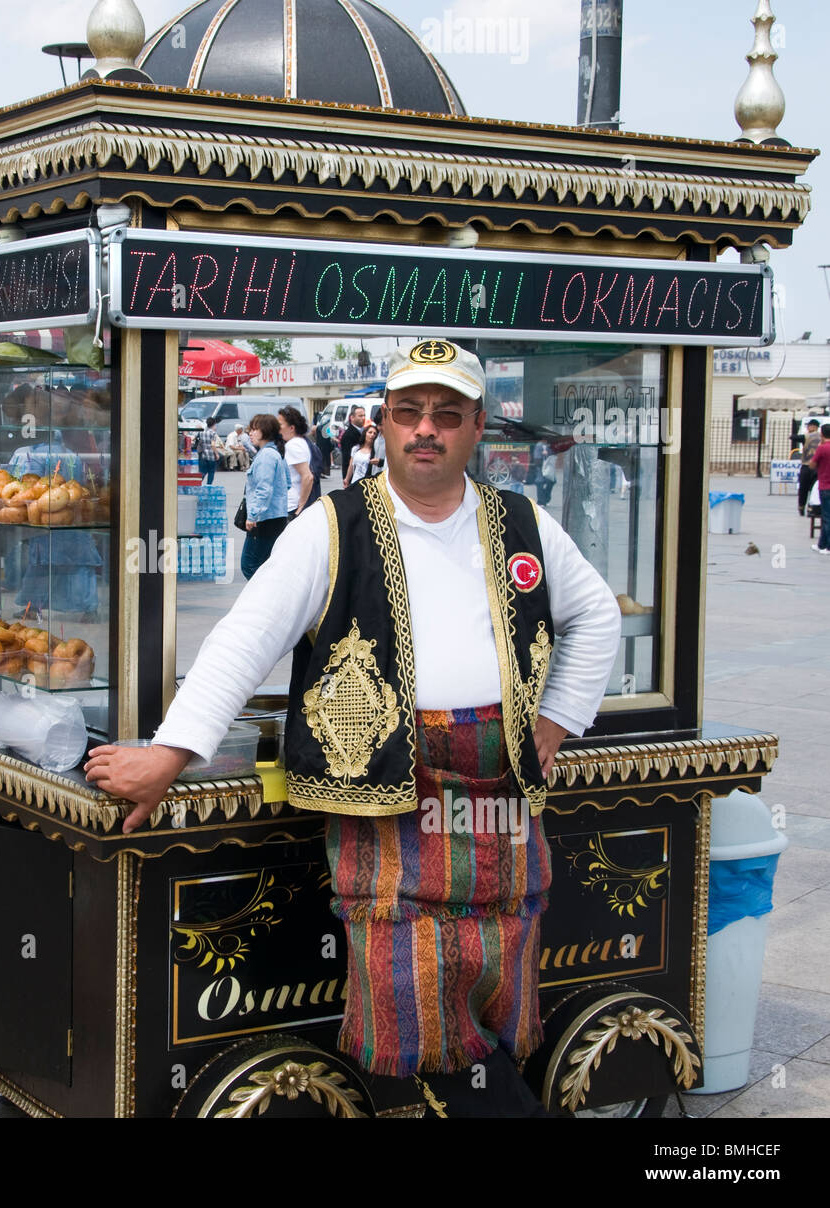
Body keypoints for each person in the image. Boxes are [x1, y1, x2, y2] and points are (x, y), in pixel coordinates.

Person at [85, 338, 622, 1117]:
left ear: (477, 426)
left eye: (445, 414)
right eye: (408, 414)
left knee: (496, 967)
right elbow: (245, 638)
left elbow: (595, 614)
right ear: (384, 426)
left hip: (499, 789)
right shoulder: (330, 527)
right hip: (388, 793)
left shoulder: (522, 522)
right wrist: (171, 754)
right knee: (409, 988)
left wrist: (557, 721)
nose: (425, 431)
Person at [239, 413, 290, 579]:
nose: (250, 433)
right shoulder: (275, 453)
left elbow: (264, 489)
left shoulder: (267, 455)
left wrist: (252, 515)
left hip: (264, 519)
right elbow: (286, 483)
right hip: (275, 517)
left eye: (254, 429)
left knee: (249, 564)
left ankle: (262, 599)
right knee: (265, 564)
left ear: (265, 431)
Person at [278, 405, 318, 516]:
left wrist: (301, 505)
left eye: (280, 424)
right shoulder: (301, 442)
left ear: (291, 428)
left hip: (291, 504)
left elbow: (308, 476)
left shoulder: (293, 445)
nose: (277, 427)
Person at [812, 424, 830, 554]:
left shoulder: (822, 448)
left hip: (825, 486)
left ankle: (828, 546)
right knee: (826, 517)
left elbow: (812, 465)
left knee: (827, 517)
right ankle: (821, 544)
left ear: (822, 434)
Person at [343, 422, 378, 486]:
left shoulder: (375, 452)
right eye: (370, 432)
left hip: (366, 484)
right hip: (354, 482)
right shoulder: (356, 449)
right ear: (365, 434)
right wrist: (347, 479)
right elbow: (351, 465)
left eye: (374, 433)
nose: (372, 435)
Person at [798, 418, 821, 517]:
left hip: (807, 466)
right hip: (816, 467)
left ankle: (802, 507)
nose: (808, 427)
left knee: (803, 488)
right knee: (812, 488)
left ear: (815, 427)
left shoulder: (806, 436)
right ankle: (810, 508)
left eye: (810, 426)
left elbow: (793, 437)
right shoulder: (822, 436)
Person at [338, 404, 368, 472]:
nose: (363, 418)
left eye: (364, 415)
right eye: (360, 416)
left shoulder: (364, 431)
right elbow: (347, 459)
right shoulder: (348, 435)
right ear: (352, 417)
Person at [197, 416, 219, 485]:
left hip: (203, 454)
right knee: (211, 471)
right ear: (214, 424)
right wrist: (217, 454)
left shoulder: (202, 433)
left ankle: (198, 483)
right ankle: (208, 486)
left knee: (202, 471)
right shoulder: (213, 433)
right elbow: (213, 445)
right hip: (211, 455)